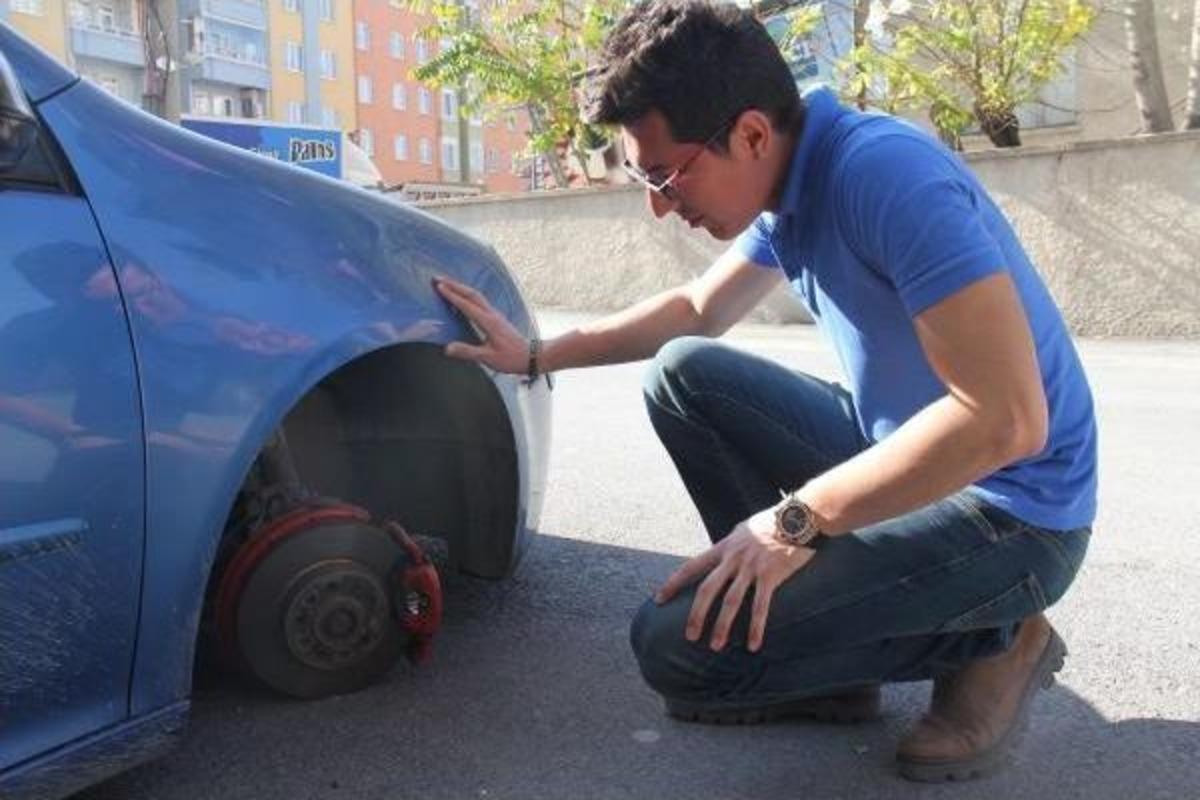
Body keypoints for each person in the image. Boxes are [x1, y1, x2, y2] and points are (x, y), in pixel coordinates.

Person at [433, 0, 1095, 783]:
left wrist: (793, 524)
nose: (657, 203)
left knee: (676, 650)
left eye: (664, 174)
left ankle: (1000, 634)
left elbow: (1005, 421)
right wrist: (537, 352)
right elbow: (696, 310)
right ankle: (835, 669)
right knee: (685, 374)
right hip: (904, 452)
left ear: (749, 134)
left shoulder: (886, 175)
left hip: (1013, 512)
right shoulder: (792, 178)